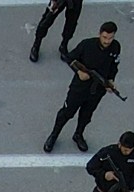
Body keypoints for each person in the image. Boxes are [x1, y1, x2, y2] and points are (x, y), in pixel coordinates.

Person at [44, 24, 121, 154]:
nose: (107, 41)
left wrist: (111, 81)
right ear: (99, 34)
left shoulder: (116, 47)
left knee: (86, 115)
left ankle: (78, 134)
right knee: (66, 113)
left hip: (97, 91)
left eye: (110, 38)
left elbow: (114, 65)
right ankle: (54, 135)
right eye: (105, 37)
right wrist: (78, 71)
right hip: (79, 88)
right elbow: (70, 58)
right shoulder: (87, 45)